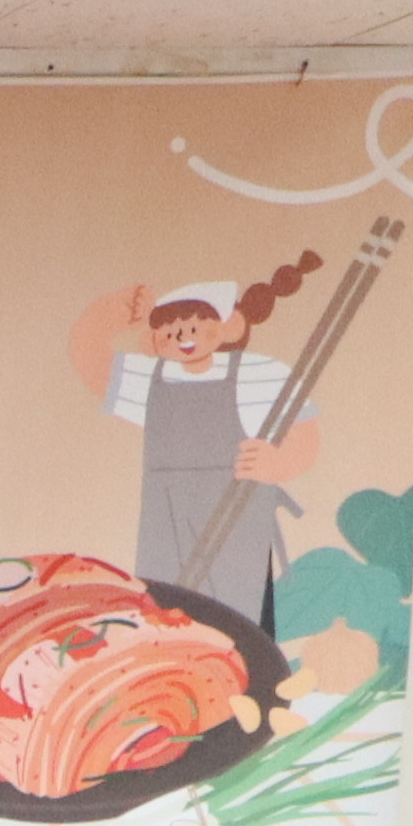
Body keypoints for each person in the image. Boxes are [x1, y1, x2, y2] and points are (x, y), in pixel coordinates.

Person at [72, 260, 328, 614]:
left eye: (193, 327)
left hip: (237, 520)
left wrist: (277, 463)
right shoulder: (152, 379)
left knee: (239, 618)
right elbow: (91, 359)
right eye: (169, 332)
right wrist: (110, 312)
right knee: (166, 615)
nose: (182, 338)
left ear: (227, 326)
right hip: (166, 528)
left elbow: (303, 430)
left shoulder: (258, 374)